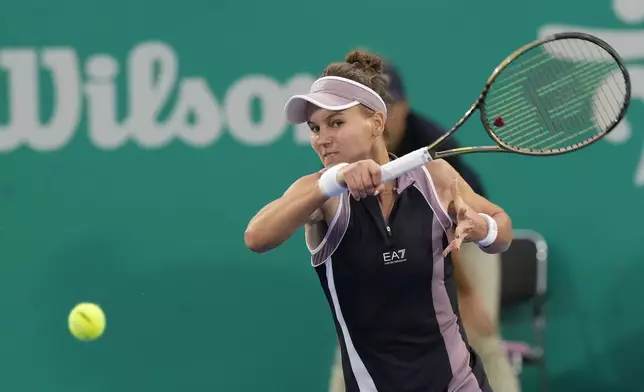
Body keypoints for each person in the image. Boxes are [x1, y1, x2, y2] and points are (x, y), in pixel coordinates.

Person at [244, 49, 513, 392]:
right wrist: (334, 179)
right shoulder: (320, 195)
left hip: (457, 383)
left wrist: (482, 229)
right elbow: (256, 237)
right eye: (315, 127)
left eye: (336, 123)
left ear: (376, 123)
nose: (321, 138)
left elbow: (501, 227)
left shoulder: (436, 177)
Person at [327, 60, 521, 392]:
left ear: (403, 107)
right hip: (387, 234)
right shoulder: (345, 149)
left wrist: (470, 298)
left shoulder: (432, 147)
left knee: (480, 336)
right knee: (359, 335)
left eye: (390, 106)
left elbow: (445, 234)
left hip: (463, 232)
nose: (385, 116)